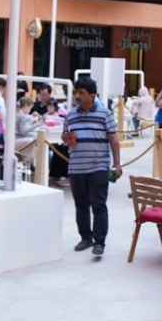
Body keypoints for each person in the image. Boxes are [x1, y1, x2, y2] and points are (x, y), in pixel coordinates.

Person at [66, 77, 121, 256]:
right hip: (76, 168)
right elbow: (66, 137)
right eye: (76, 92)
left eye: (81, 93)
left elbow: (114, 139)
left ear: (92, 95)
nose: (77, 96)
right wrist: (66, 139)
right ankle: (86, 238)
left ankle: (99, 242)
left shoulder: (105, 114)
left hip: (99, 167)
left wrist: (117, 164)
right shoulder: (70, 115)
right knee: (81, 206)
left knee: (98, 205)